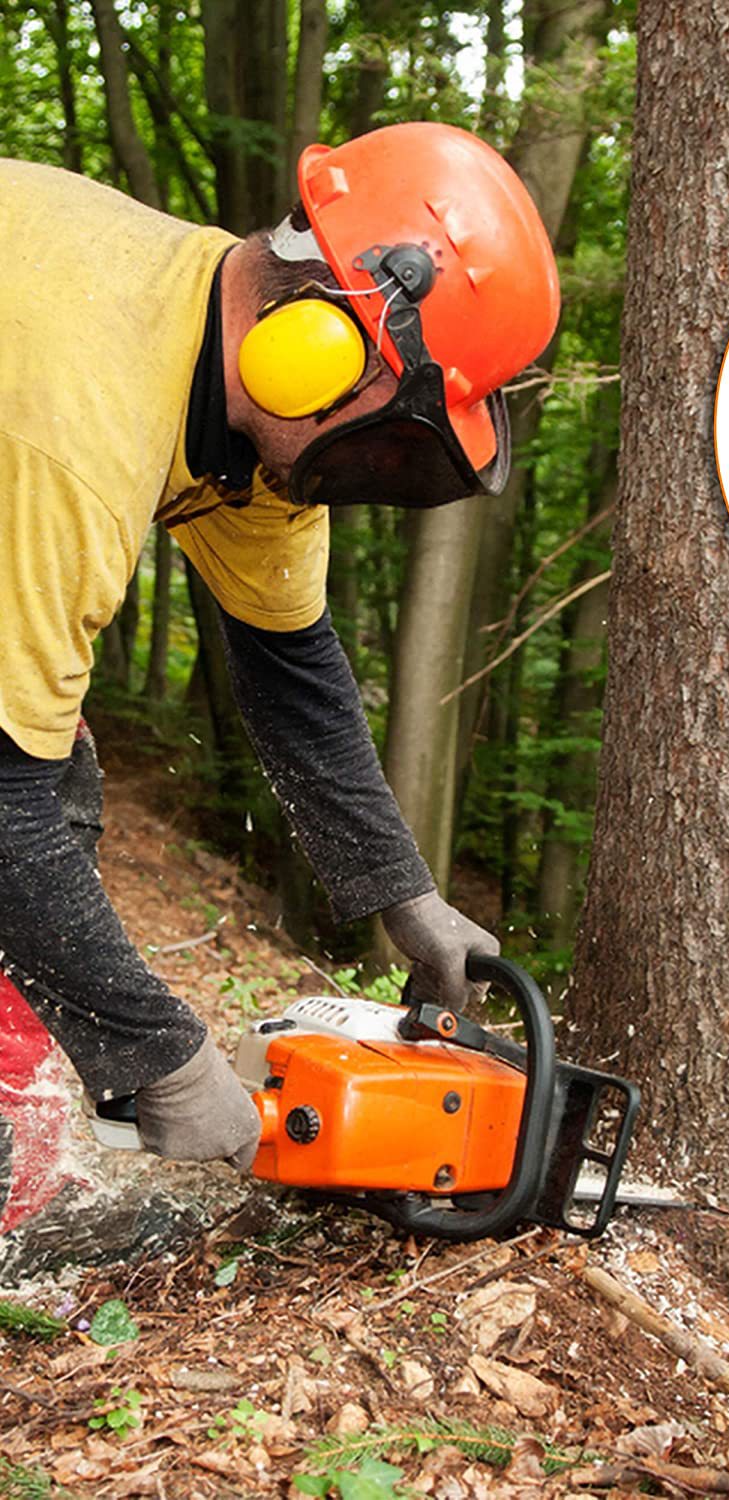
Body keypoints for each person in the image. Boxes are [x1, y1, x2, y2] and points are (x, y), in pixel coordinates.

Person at [0, 122, 560, 1239]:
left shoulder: (243, 411)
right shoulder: (76, 420)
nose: (372, 470)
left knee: (52, 783)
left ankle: (15, 1168)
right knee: (29, 800)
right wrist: (159, 1055)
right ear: (316, 343)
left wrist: (407, 899)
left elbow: (290, 669)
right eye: (387, 431)